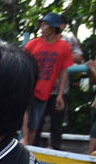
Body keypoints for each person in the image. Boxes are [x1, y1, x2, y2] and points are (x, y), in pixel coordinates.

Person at [22, 13, 74, 146]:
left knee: (35, 122)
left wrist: (60, 94)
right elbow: (21, 63)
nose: (42, 27)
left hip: (45, 89)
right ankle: (24, 139)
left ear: (53, 28)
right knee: (24, 112)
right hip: (28, 85)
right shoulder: (32, 44)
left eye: (45, 25)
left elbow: (63, 72)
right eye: (42, 24)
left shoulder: (63, 47)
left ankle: (29, 146)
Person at [35, 14, 84, 149]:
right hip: (39, 89)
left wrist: (60, 55)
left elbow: (78, 58)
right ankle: (34, 149)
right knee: (36, 122)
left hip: (58, 89)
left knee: (56, 123)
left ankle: (56, 148)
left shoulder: (67, 42)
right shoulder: (38, 42)